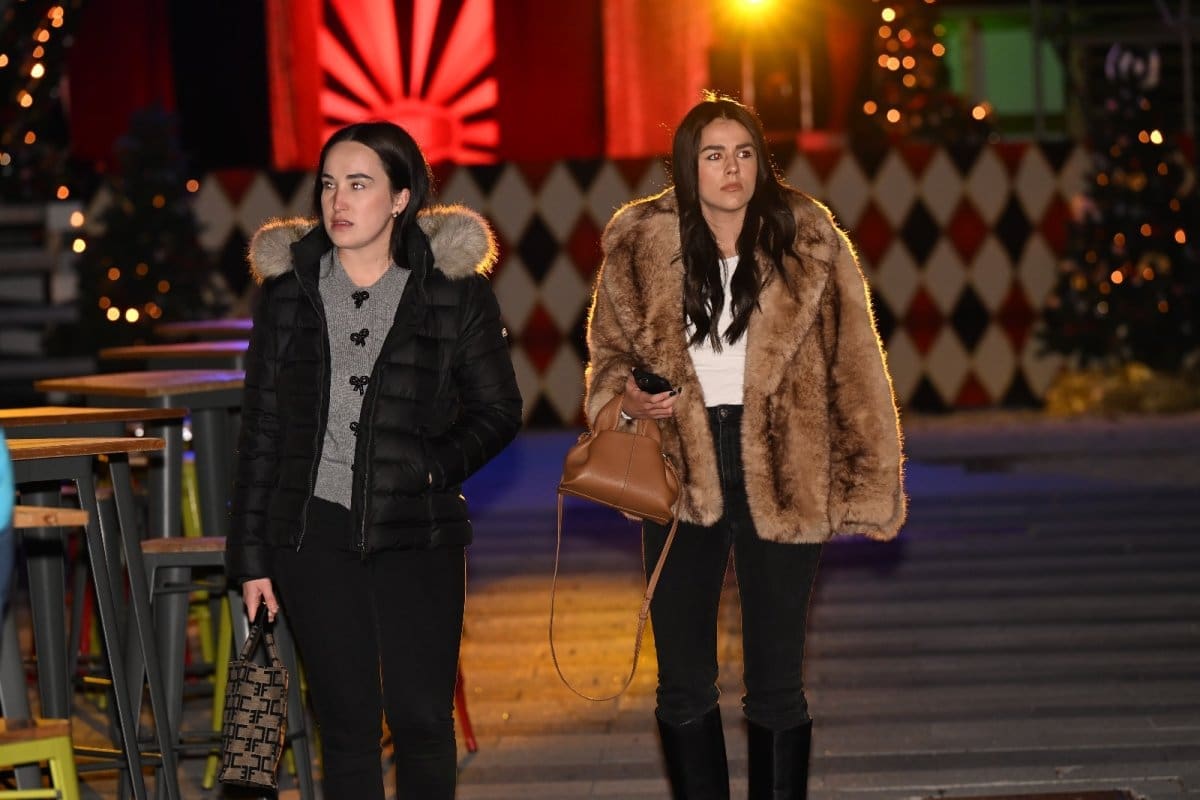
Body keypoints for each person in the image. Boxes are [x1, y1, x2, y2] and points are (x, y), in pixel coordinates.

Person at [584, 95, 905, 799]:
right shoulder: (639, 244)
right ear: (687, 165)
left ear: (762, 161)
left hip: (788, 467)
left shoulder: (809, 239)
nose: (732, 168)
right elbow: (607, 357)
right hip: (680, 469)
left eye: (744, 153)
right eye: (714, 155)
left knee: (778, 682)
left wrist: (868, 480)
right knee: (682, 680)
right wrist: (626, 402)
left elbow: (857, 367)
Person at [226, 121, 522, 799]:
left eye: (359, 185)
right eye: (330, 184)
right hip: (313, 532)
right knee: (347, 727)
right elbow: (263, 430)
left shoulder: (452, 290)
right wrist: (251, 559)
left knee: (422, 720)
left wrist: (431, 467)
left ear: (400, 197)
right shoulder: (287, 294)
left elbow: (500, 410)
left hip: (418, 531)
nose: (339, 201)